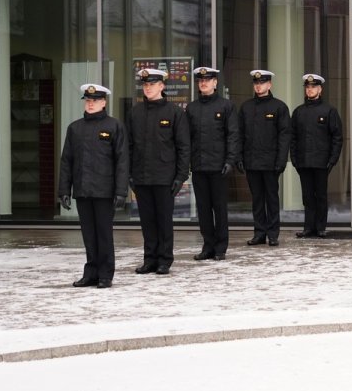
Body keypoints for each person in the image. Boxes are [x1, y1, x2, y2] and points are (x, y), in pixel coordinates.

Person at [58, 84, 129, 289]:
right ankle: (91, 273)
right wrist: (64, 190)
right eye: (88, 100)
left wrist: (121, 191)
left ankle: (105, 274)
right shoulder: (75, 128)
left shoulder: (114, 126)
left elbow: (122, 161)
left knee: (104, 234)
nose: (90, 103)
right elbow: (67, 161)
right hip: (83, 189)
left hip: (105, 191)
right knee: (89, 235)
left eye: (95, 100)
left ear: (104, 102)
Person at [128, 68, 190, 275]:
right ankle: (150, 259)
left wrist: (181, 176)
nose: (148, 88)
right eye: (145, 85)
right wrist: (129, 174)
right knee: (147, 221)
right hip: (142, 176)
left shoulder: (174, 112)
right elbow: (128, 146)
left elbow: (183, 147)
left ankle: (164, 259)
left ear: (162, 86)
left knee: (164, 220)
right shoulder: (135, 112)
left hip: (165, 177)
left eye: (152, 84)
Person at [185, 67, 240, 261]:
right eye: (200, 80)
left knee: (219, 208)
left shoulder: (226, 106)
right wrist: (188, 162)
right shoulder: (192, 108)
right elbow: (187, 139)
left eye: (207, 80)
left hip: (219, 167)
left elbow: (233, 135)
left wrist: (230, 161)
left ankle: (220, 247)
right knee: (203, 209)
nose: (204, 83)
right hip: (199, 166)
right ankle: (208, 245)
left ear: (215, 83)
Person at [238, 69, 290, 246]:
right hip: (252, 161)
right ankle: (259, 232)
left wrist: (281, 160)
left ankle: (273, 233)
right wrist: (239, 157)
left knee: (272, 198)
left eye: (262, 83)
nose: (258, 86)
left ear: (269, 85)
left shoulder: (279, 107)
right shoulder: (246, 107)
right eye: (256, 83)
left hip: (271, 162)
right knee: (257, 199)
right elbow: (240, 135)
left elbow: (284, 136)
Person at [291, 74, 343, 238]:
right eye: (307, 87)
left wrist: (332, 159)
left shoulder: (329, 111)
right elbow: (292, 137)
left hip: (322, 161)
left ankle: (320, 227)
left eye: (313, 87)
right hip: (304, 161)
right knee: (307, 196)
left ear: (320, 89)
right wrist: (294, 158)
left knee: (320, 195)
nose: (310, 89)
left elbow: (337, 137)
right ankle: (308, 227)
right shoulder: (299, 111)